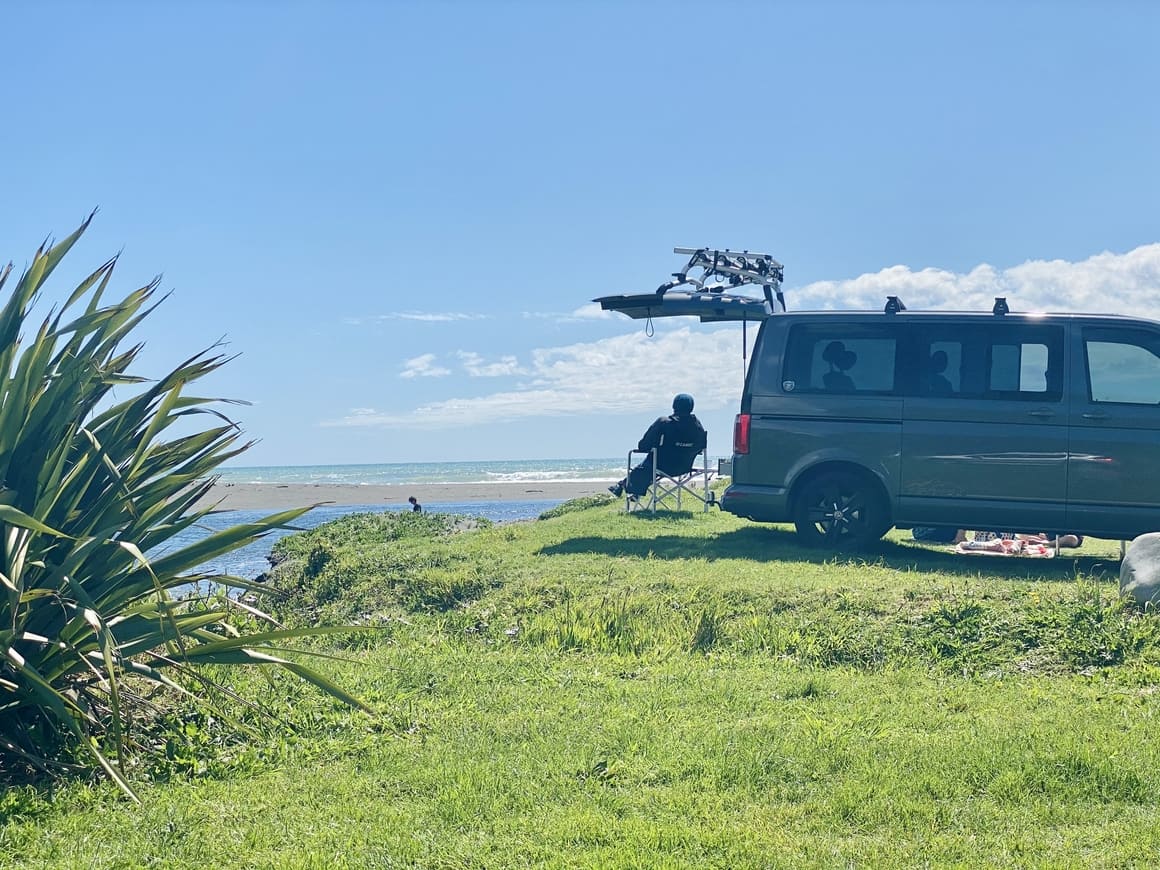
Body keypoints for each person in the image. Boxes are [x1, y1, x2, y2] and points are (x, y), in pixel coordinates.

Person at [609, 393, 708, 499]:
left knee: (651, 460)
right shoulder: (698, 427)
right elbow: (700, 449)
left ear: (674, 406)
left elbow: (643, 446)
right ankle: (629, 488)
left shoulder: (664, 422)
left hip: (662, 467)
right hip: (684, 468)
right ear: (691, 407)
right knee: (653, 461)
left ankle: (626, 486)